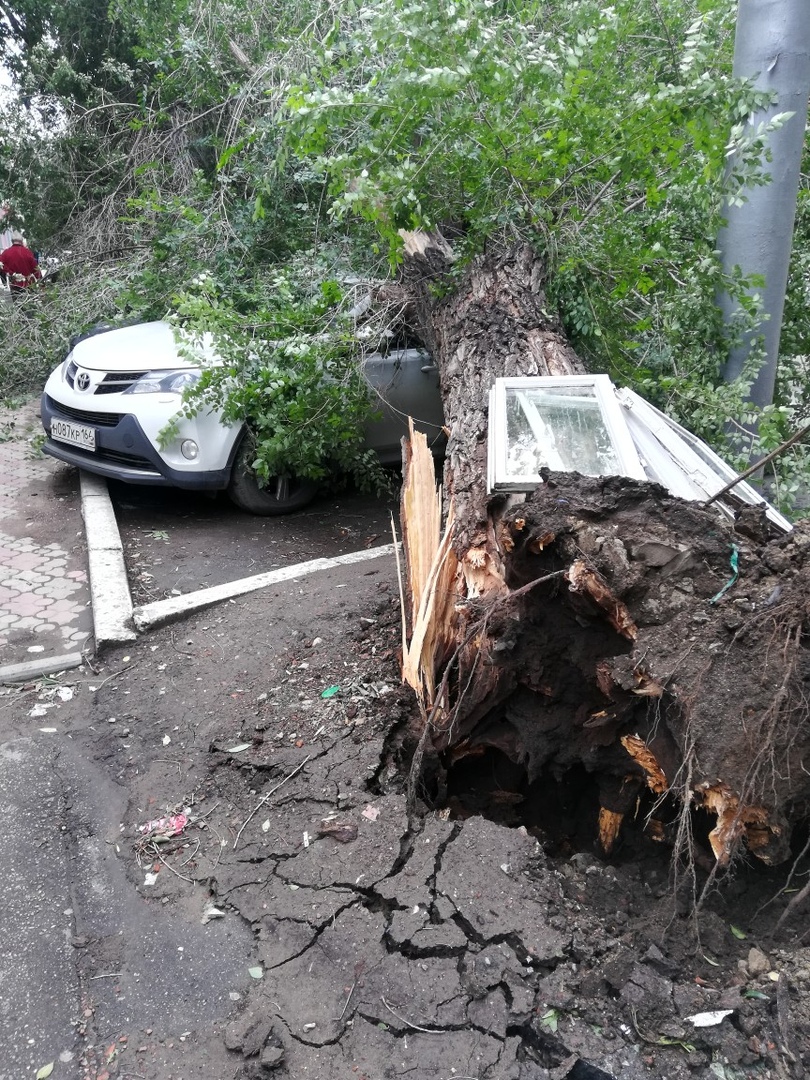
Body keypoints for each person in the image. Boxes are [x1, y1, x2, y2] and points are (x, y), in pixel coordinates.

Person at [0, 232, 41, 299]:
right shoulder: (27, 252)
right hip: (28, 284)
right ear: (21, 241)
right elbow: (36, 269)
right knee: (30, 306)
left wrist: (10, 273)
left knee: (18, 305)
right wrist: (41, 280)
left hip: (14, 285)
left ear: (12, 241)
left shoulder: (6, 253)